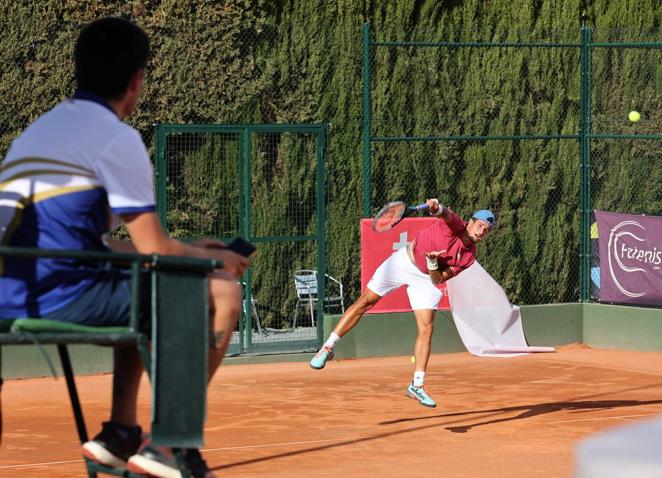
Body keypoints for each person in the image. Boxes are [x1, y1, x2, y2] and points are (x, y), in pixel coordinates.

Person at [0, 17, 249, 478]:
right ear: (135, 80)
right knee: (221, 291)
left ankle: (121, 431)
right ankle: (170, 445)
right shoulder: (115, 138)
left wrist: (188, 248)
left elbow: (93, 245)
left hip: (11, 291)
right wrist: (215, 260)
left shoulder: (38, 132)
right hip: (62, 293)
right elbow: (156, 247)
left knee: (143, 283)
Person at [309, 199, 495, 408]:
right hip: (403, 262)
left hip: (425, 278)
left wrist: (433, 263)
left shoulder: (469, 257)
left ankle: (416, 386)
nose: (481, 232)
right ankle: (327, 348)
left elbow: (438, 279)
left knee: (427, 328)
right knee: (365, 302)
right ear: (470, 222)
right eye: (479, 225)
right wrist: (435, 206)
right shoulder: (454, 224)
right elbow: (442, 211)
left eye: (486, 230)